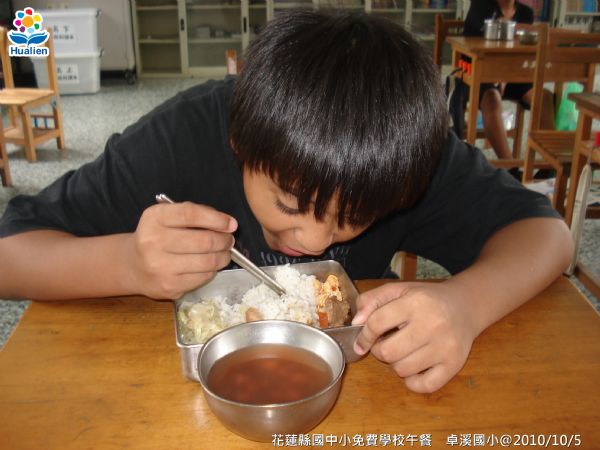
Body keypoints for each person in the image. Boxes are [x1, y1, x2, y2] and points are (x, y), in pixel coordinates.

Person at [0, 10, 572, 394]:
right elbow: (10, 256)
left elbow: (550, 235)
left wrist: (466, 305)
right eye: (292, 204)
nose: (317, 240)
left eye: (355, 218)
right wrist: (127, 262)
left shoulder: (399, 152)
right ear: (239, 145)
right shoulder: (183, 136)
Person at [464, 0, 555, 177]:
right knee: (492, 99)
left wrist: (505, 76)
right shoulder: (480, 5)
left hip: (513, 74)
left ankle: (550, 165)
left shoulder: (526, 13)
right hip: (477, 70)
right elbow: (495, 28)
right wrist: (499, 74)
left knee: (544, 97)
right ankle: (511, 170)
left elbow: (522, 49)